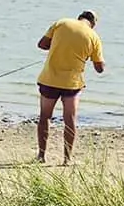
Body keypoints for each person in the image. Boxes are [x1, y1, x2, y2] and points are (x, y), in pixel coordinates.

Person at [36, 10, 105, 165]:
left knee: (45, 117)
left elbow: (42, 44)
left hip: (49, 79)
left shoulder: (62, 23)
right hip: (72, 84)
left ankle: (41, 156)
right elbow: (99, 68)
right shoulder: (93, 36)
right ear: (93, 23)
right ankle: (67, 159)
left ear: (79, 17)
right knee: (70, 120)